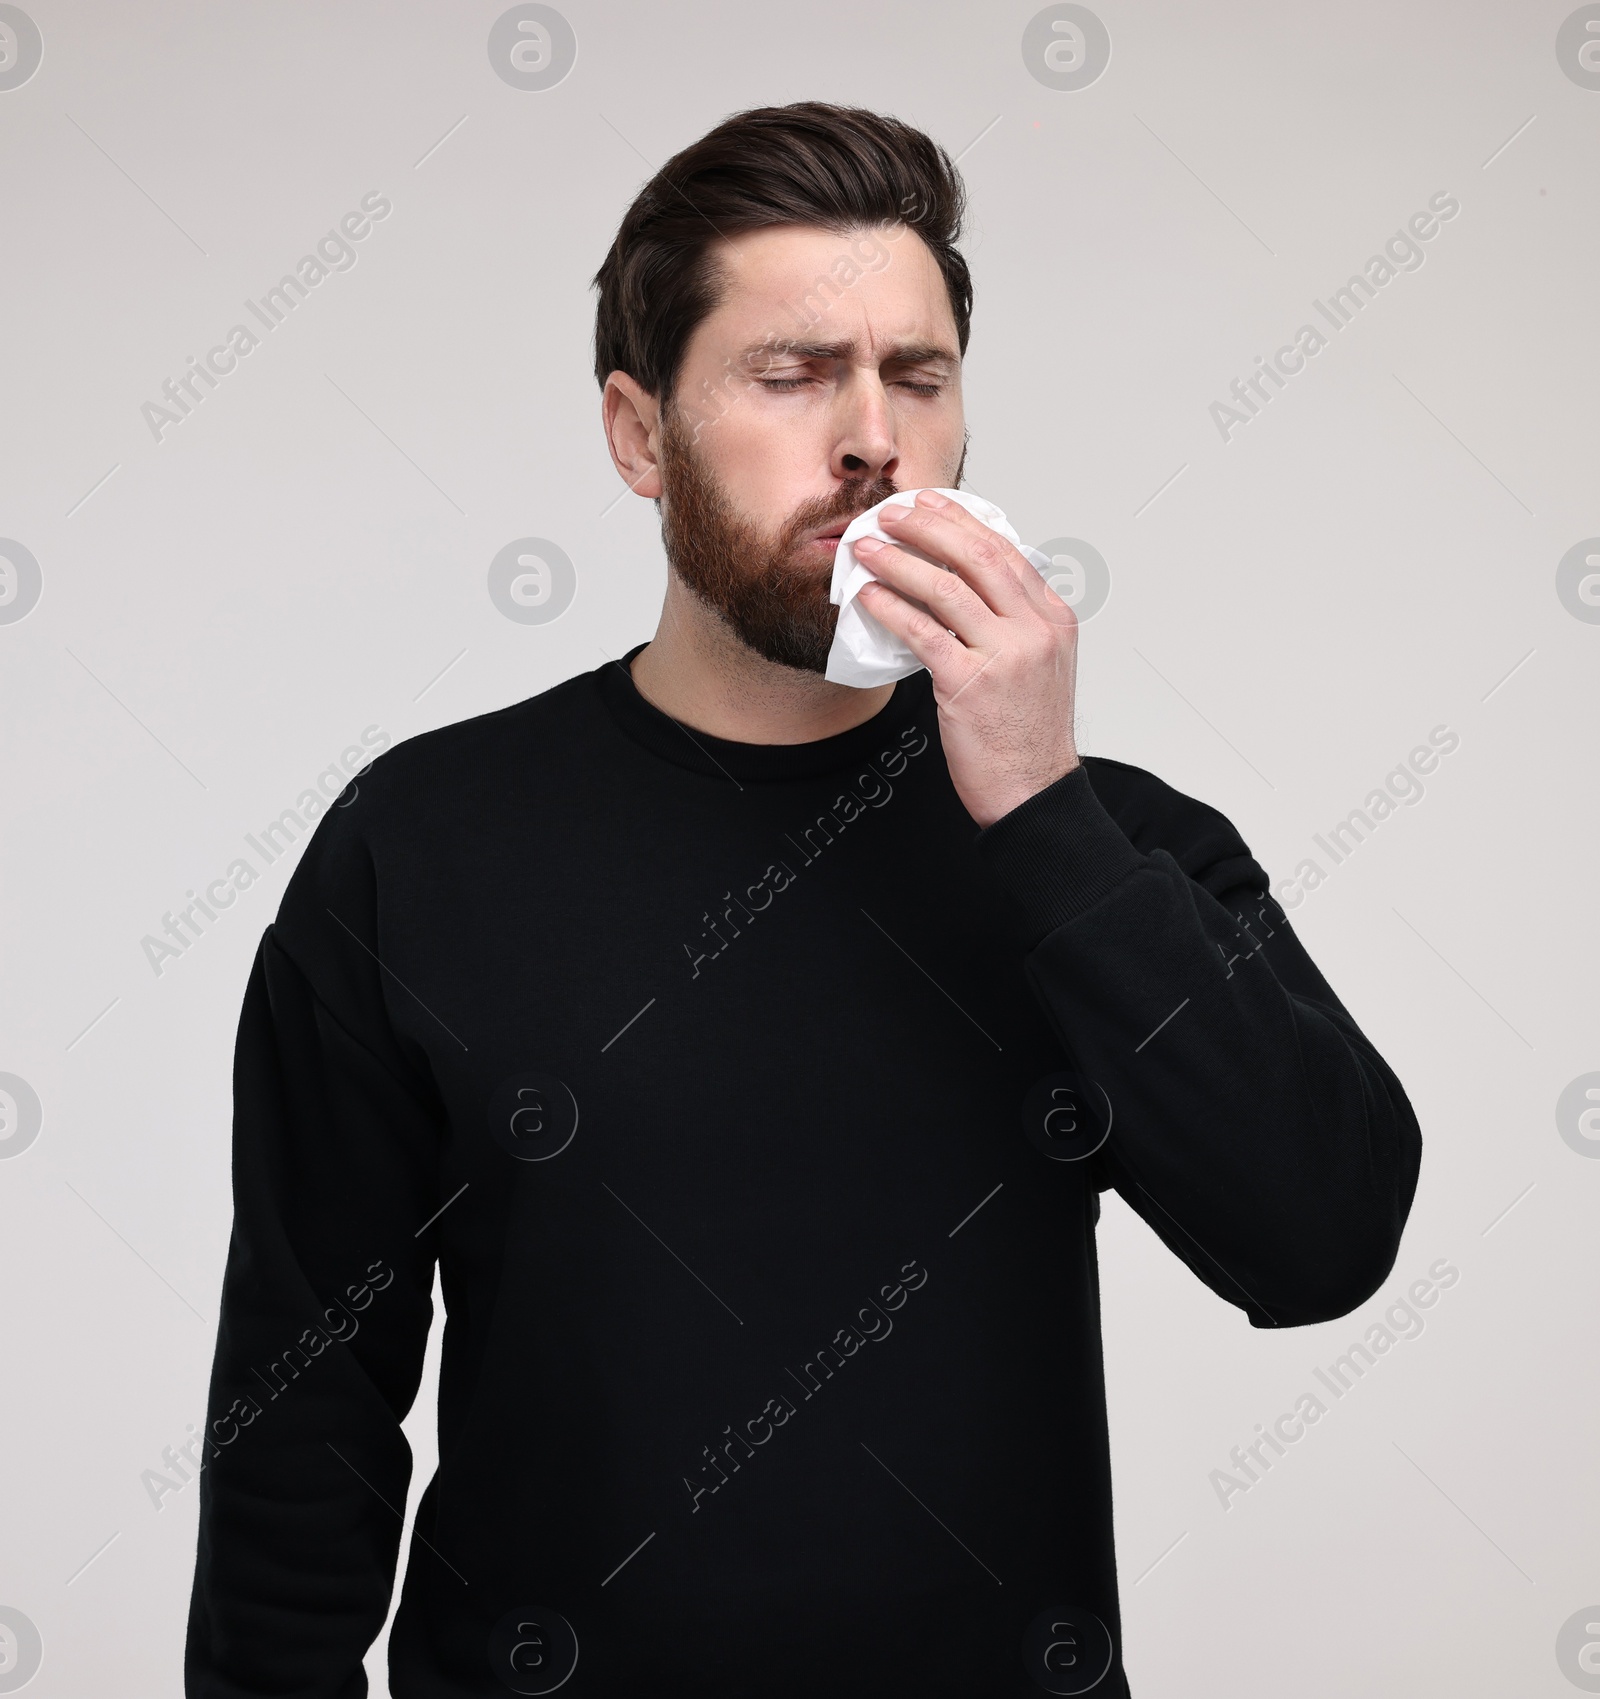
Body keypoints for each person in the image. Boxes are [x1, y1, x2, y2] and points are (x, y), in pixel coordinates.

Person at [185, 102, 1421, 1698]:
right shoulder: (421, 843)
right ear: (641, 435)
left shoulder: (1114, 848)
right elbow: (304, 1417)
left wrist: (1040, 817)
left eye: (917, 375)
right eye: (791, 375)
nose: (871, 436)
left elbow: (1322, 1241)